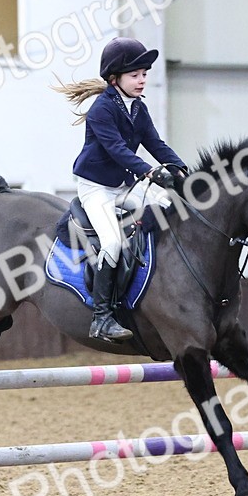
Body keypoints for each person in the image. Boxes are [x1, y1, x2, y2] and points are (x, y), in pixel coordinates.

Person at [53, 37, 187, 343]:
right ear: (115, 79)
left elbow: (155, 144)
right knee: (112, 243)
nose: (142, 80)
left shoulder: (138, 108)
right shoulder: (102, 110)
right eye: (135, 75)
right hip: (96, 189)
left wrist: (182, 171)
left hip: (124, 186)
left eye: (144, 74)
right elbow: (116, 150)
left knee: (170, 209)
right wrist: (151, 172)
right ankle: (102, 318)